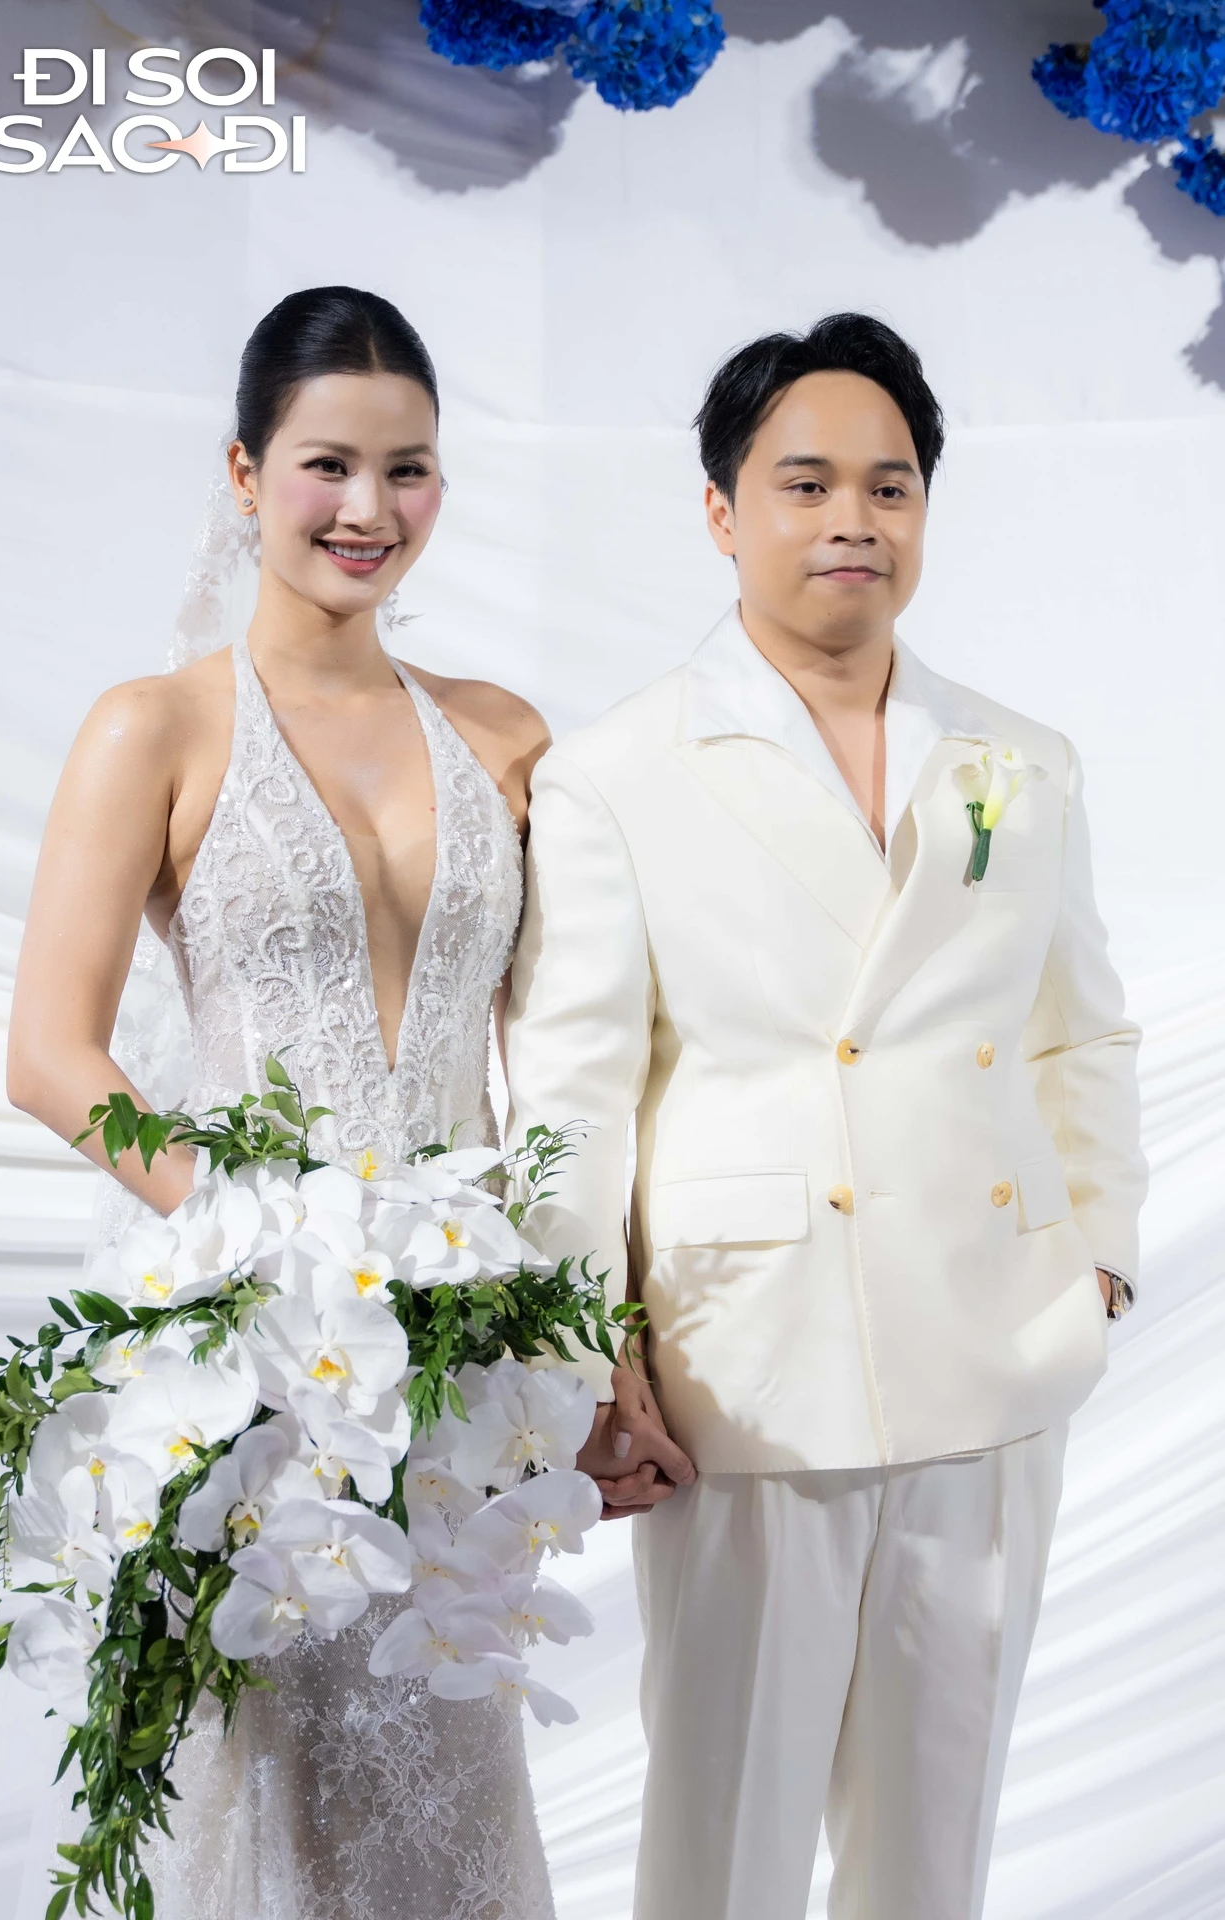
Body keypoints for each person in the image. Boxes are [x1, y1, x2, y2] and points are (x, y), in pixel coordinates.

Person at [504, 313, 1145, 1920]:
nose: (852, 518)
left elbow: (1079, 1030)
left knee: (935, 1845)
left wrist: (1097, 1263)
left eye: (889, 484)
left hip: (991, 1348)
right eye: (804, 484)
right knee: (723, 1844)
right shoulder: (618, 772)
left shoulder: (1019, 760)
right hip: (747, 1366)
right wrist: (586, 1348)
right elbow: (571, 1095)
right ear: (720, 510)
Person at [7, 286, 558, 1920]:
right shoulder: (156, 726)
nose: (369, 508)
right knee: (260, 1794)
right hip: (249, 1352)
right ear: (245, 473)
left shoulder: (505, 737)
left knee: (447, 1793)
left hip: (456, 1363)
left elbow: (560, 1058)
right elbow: (51, 1055)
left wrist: (583, 1333)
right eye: (328, 465)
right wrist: (264, 1234)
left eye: (409, 469)